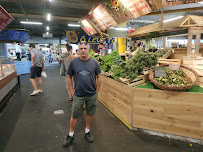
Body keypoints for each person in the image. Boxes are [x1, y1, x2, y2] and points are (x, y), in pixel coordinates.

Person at [63, 41, 101, 147]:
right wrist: (71, 90)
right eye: (81, 48)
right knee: (75, 115)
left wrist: (97, 90)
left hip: (91, 94)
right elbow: (69, 76)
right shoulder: (73, 63)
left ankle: (87, 131)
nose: (83, 50)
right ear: (78, 50)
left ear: (88, 50)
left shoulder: (94, 63)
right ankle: (71, 134)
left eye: (85, 48)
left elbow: (99, 76)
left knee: (90, 113)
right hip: (78, 94)